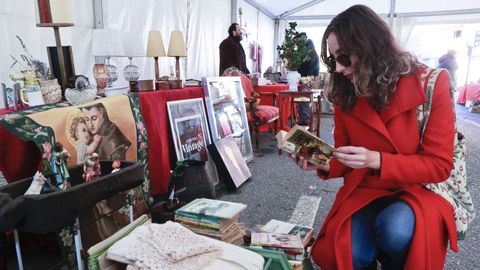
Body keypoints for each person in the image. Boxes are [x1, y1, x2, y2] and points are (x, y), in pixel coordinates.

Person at [291, 5, 457, 269]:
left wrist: (378, 160)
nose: (338, 68)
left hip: (420, 189)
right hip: (366, 189)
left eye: (343, 57)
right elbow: (347, 157)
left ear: (371, 47)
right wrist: (319, 161)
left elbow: (439, 165)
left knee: (396, 230)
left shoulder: (431, 83)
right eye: (333, 59)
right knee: (351, 255)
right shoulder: (346, 90)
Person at [297, 32, 320, 126]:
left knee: (304, 98)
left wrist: (307, 78)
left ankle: (305, 119)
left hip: (307, 77)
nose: (297, 44)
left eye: (298, 42)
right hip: (308, 76)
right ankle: (305, 118)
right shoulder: (308, 49)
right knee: (304, 98)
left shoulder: (309, 50)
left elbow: (310, 65)